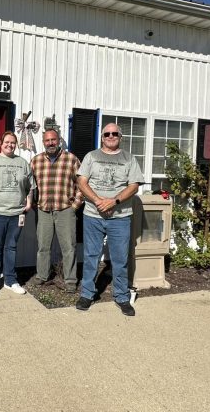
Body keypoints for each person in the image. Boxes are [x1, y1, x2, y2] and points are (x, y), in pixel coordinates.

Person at [76, 123, 144, 316]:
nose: (111, 136)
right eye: (107, 134)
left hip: (120, 217)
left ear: (120, 137)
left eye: (115, 133)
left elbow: (134, 186)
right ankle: (87, 294)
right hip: (93, 214)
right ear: (102, 137)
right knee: (91, 256)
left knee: (120, 258)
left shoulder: (129, 159)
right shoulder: (92, 156)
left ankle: (122, 296)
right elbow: (81, 181)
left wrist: (114, 201)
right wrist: (98, 201)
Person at [0, 131, 35, 297]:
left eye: (13, 143)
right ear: (0, 143)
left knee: (11, 247)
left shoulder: (23, 163)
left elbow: (30, 185)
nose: (10, 145)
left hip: (17, 213)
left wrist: (29, 203)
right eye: (7, 142)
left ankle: (10, 280)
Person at [30, 128, 83, 292]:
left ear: (59, 140)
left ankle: (70, 280)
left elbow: (82, 185)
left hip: (65, 209)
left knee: (69, 247)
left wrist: (75, 206)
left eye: (53, 140)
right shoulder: (36, 161)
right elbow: (30, 186)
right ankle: (42, 275)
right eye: (47, 140)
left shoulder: (71, 159)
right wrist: (33, 203)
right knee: (43, 247)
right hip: (44, 210)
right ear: (43, 142)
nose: (51, 143)